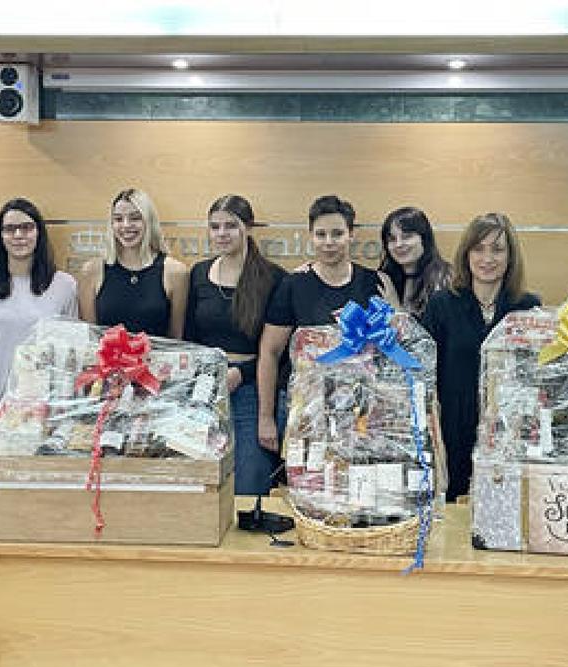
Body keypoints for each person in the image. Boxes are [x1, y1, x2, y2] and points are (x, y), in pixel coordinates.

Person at [257, 195, 393, 455]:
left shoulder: (373, 283)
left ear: (351, 235)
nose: (329, 242)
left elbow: (390, 347)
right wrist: (266, 417)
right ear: (310, 236)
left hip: (361, 409)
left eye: (337, 234)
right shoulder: (293, 286)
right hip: (304, 407)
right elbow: (270, 352)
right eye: (321, 234)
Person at [184, 194, 288, 530]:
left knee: (249, 487)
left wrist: (241, 375)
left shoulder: (273, 278)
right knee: (202, 489)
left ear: (249, 228)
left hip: (253, 397)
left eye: (231, 225)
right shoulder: (198, 274)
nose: (222, 233)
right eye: (215, 226)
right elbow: (189, 339)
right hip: (204, 395)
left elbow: (277, 352)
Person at [422, 212, 539, 501]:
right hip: (453, 430)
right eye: (479, 248)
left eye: (497, 249)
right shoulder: (441, 305)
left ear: (510, 256)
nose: (488, 258)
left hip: (507, 432)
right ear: (466, 254)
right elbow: (425, 374)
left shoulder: (526, 306)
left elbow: (534, 378)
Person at [0, 198, 78, 464]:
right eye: (10, 229)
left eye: (27, 227)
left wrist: (67, 417)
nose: (19, 235)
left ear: (39, 233)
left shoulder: (64, 285)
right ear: (0, 236)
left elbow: (71, 360)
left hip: (45, 415)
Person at [78, 188, 189, 338]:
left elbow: (177, 338)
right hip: (106, 361)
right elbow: (90, 338)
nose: (125, 225)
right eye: (118, 219)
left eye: (135, 218)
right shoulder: (92, 271)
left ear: (149, 222)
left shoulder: (176, 272)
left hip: (158, 361)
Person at [377, 206, 452, 317]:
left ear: (424, 239)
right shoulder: (386, 278)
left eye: (407, 237)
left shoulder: (446, 280)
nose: (399, 244)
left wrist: (396, 310)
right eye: (392, 239)